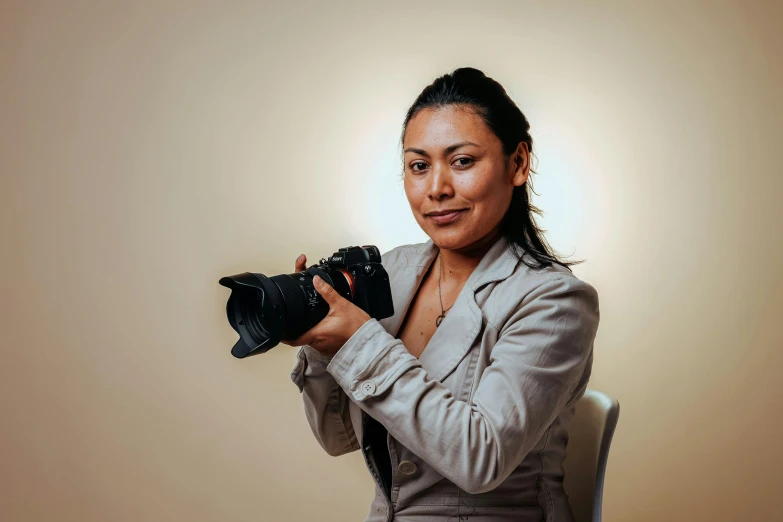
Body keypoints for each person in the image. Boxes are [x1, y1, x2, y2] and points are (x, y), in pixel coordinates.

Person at [284, 67, 600, 522]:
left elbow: (481, 459)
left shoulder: (555, 301)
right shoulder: (392, 272)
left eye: (462, 161)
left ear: (518, 164)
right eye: (419, 166)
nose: (437, 189)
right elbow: (339, 439)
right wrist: (322, 346)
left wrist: (359, 344)